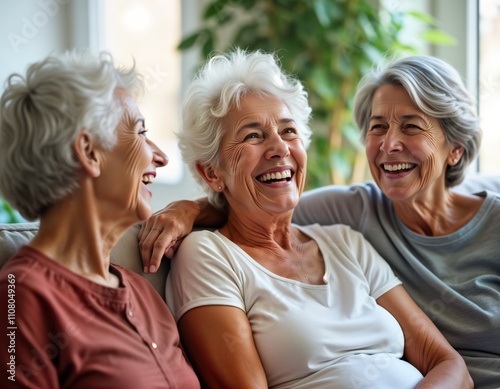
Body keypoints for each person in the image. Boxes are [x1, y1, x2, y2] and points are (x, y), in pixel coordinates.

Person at [139, 53, 500, 388]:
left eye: (289, 131)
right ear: (210, 171)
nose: (280, 148)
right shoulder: (209, 254)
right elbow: (249, 207)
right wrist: (189, 208)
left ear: (455, 148)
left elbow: (447, 363)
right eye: (253, 135)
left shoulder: (344, 237)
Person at [0, 51, 200, 388]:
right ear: (90, 153)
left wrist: (200, 208)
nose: (161, 157)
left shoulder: (141, 290)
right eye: (139, 132)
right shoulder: (20, 297)